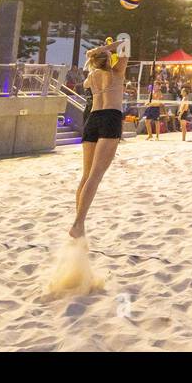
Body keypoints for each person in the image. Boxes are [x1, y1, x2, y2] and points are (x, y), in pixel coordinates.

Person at [70, 40, 128, 239]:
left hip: (92, 119)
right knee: (95, 175)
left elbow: (91, 58)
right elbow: (126, 44)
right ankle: (78, 224)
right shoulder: (117, 72)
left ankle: (79, 223)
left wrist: (98, 51)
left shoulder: (91, 77)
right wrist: (107, 48)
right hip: (110, 118)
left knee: (86, 175)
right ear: (109, 59)